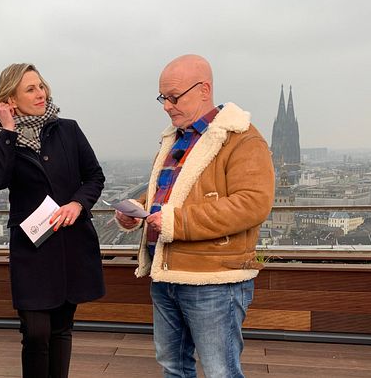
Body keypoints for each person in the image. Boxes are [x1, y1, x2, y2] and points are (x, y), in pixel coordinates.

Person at [115, 54, 275, 378]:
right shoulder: (175, 137)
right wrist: (138, 208)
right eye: (163, 97)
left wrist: (175, 222)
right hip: (166, 273)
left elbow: (253, 203)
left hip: (214, 280)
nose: (166, 105)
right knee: (173, 367)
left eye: (174, 96)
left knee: (221, 372)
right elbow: (172, 193)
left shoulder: (242, 137)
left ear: (204, 89)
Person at [0, 63, 106, 378]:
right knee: (36, 331)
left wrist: (78, 203)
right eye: (30, 89)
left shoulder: (68, 129)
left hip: (70, 244)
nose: (40, 93)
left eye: (41, 86)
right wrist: (8, 130)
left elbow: (94, 176)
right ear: (10, 98)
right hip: (32, 250)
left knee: (62, 327)